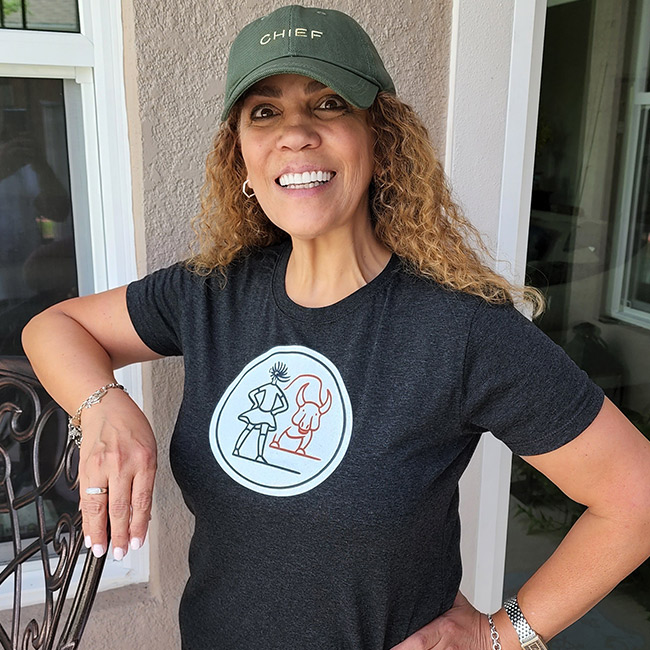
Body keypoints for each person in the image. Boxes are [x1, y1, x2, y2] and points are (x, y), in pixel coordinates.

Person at [21, 5, 650, 650]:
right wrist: (102, 404)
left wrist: (503, 635)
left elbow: (635, 498)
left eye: (327, 104)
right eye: (264, 112)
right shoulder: (213, 291)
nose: (295, 133)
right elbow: (54, 327)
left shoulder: (460, 328)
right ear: (241, 155)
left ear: (380, 139)